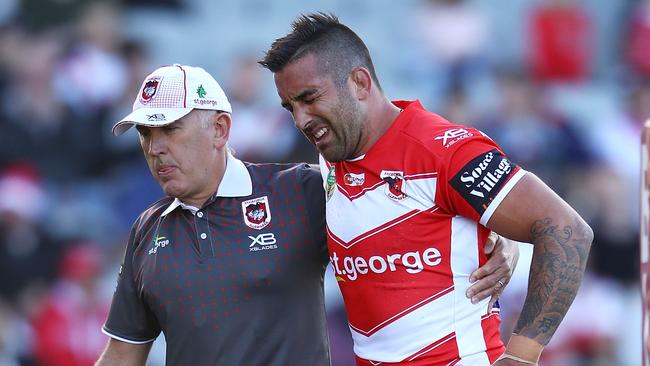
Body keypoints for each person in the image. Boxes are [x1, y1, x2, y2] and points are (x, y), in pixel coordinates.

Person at [95, 64, 518, 365]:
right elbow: (122, 354)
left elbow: (416, 206)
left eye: (170, 129)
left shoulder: (299, 191)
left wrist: (500, 234)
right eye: (146, 134)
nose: (155, 147)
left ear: (220, 129)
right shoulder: (147, 229)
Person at [259, 13, 593, 366]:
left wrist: (522, 357)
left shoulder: (444, 150)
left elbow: (568, 230)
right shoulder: (333, 158)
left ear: (359, 83)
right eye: (290, 106)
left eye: (309, 98)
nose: (300, 119)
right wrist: (492, 234)